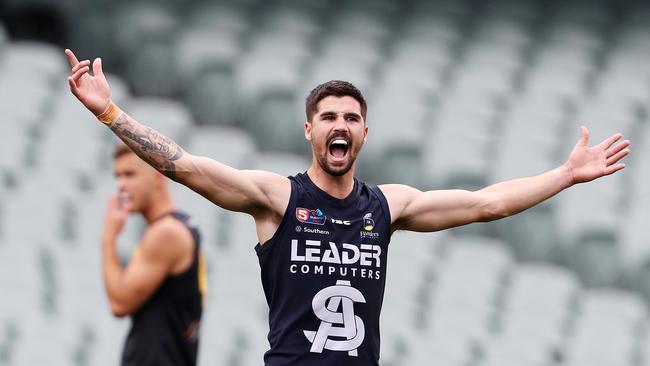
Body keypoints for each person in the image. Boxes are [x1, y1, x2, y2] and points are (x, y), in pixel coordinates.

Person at [65, 49, 630, 366]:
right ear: (310, 129)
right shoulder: (276, 199)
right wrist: (110, 113)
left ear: (364, 133)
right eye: (329, 117)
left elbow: (487, 204)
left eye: (351, 118)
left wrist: (564, 174)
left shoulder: (387, 205)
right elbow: (181, 164)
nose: (341, 125)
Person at [102, 141, 206, 366]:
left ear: (158, 175)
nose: (121, 185)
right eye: (118, 176)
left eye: (130, 175)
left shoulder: (166, 233)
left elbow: (119, 304)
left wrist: (108, 238)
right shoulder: (180, 225)